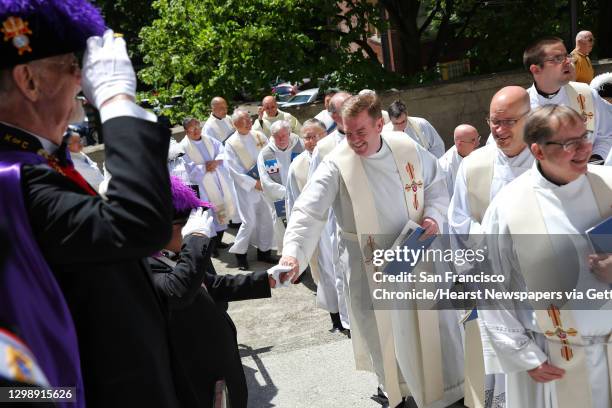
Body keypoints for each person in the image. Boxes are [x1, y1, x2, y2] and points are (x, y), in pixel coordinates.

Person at [0, 2, 187, 405]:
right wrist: (116, 99)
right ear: (28, 80)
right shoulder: (11, 178)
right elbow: (135, 225)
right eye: (71, 63)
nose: (81, 77)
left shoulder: (38, 162)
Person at [279, 93, 463, 408]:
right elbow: (308, 210)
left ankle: (448, 396)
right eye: (347, 133)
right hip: (371, 269)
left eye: (360, 132)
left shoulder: (407, 148)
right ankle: (400, 396)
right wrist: (293, 251)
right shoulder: (337, 163)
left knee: (436, 333)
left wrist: (433, 214)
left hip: (416, 256)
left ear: (380, 124)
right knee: (389, 340)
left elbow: (435, 185)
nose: (354, 140)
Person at [479, 104, 612, 408]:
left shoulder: (609, 183)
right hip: (555, 360)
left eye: (585, 137)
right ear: (538, 151)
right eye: (569, 144)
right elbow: (491, 285)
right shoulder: (510, 206)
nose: (584, 149)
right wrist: (523, 355)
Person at [149, 176, 275, 408]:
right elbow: (179, 289)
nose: (190, 232)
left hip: (220, 365)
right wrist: (195, 241)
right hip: (196, 376)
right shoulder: (146, 267)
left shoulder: (177, 257)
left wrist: (266, 280)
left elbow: (210, 285)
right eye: (185, 226)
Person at [447, 86, 533, 408]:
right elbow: (456, 221)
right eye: (494, 122)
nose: (499, 130)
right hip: (494, 284)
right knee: (499, 374)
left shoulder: (549, 160)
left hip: (540, 289)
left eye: (509, 122)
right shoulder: (473, 165)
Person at [524, 36, 612, 163]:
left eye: (567, 56)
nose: (567, 62)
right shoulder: (519, 106)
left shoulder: (586, 94)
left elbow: (607, 134)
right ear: (536, 69)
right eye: (558, 58)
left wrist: (595, 160)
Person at [308, 91, 353, 333]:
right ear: (334, 115)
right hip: (338, 220)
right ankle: (348, 321)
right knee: (341, 269)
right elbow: (315, 191)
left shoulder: (377, 134)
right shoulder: (324, 148)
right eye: (344, 107)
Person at [225, 109, 275, 270]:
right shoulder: (231, 143)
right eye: (244, 119)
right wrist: (254, 183)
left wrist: (269, 178)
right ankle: (241, 254)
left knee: (267, 217)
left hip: (265, 185)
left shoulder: (259, 135)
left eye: (248, 118)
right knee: (249, 221)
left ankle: (264, 251)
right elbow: (234, 170)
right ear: (234, 124)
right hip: (246, 189)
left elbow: (270, 155)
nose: (248, 122)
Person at [180, 117, 235, 257]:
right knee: (209, 216)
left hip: (217, 180)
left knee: (222, 213)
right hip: (202, 187)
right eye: (192, 129)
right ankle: (211, 247)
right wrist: (204, 167)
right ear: (186, 131)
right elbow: (186, 168)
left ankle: (218, 242)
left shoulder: (209, 139)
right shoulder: (183, 147)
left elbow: (222, 150)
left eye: (197, 127)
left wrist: (216, 162)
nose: (196, 131)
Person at [257, 120, 304, 254]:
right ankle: (289, 261)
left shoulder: (300, 146)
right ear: (272, 135)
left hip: (302, 198)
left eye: (284, 135)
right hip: (280, 201)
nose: (281, 139)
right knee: (285, 233)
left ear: (290, 133)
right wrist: (288, 193)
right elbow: (266, 182)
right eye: (277, 136)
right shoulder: (266, 154)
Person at [438, 124, 480, 200]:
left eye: (478, 139)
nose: (478, 144)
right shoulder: (444, 167)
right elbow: (445, 199)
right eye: (473, 140)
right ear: (459, 143)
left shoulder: (479, 154)